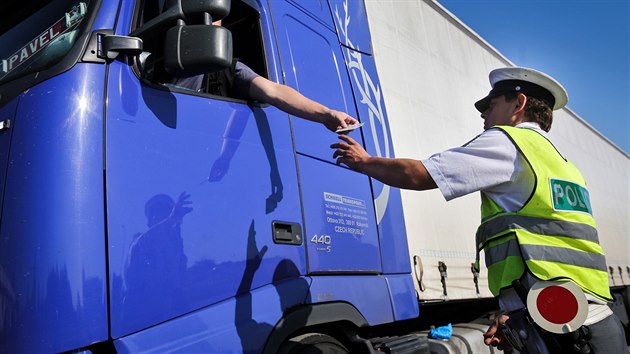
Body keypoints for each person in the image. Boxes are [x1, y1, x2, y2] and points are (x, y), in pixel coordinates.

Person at [330, 67, 627, 353]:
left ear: (519, 103)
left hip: (569, 337)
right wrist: (518, 315)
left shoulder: (509, 142)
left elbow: (419, 175)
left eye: (491, 103)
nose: (483, 112)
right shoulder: (562, 162)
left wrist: (364, 161)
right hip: (592, 321)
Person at [171, 21, 358, 133]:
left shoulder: (228, 70)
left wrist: (325, 114)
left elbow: (274, 91)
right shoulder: (160, 61)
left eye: (214, 19)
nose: (210, 26)